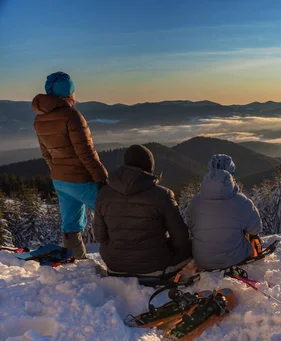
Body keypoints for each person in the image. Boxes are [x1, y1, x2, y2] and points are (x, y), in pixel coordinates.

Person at [32, 72, 108, 259]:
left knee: (70, 226)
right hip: (82, 179)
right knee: (114, 214)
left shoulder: (39, 119)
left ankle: (76, 263)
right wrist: (102, 177)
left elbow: (46, 154)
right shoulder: (72, 116)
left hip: (60, 180)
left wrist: (58, 171)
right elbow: (86, 152)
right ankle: (124, 261)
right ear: (70, 92)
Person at [94, 144, 192, 277]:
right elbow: (181, 238)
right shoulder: (162, 195)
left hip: (115, 267)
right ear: (149, 167)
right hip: (154, 268)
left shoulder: (103, 194)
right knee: (192, 245)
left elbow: (100, 237)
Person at [189, 154, 262, 270]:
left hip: (202, 261)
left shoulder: (195, 202)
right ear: (231, 174)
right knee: (250, 234)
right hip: (235, 259)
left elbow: (191, 228)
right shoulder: (242, 201)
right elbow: (256, 229)